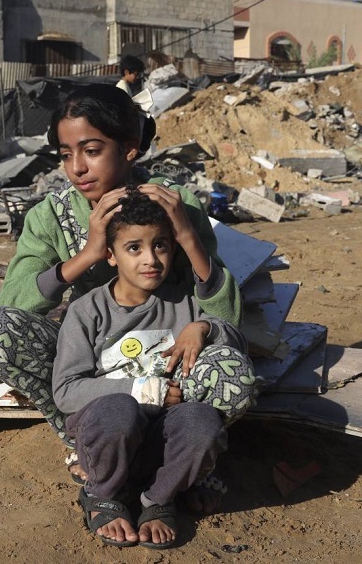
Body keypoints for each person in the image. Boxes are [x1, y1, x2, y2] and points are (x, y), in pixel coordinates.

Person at [0, 84, 243, 510]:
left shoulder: (174, 204)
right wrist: (88, 255)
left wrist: (188, 237)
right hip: (89, 365)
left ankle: (181, 448)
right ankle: (90, 442)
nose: (77, 168)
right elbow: (13, 303)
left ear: (129, 148)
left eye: (92, 150)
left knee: (232, 374)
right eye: (65, 155)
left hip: (168, 359)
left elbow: (227, 317)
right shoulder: (52, 216)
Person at [52, 188, 258, 548]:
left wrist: (205, 327)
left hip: (164, 439)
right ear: (111, 256)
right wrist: (144, 390)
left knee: (201, 420)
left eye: (160, 245)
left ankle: (158, 498)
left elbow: (236, 345)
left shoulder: (183, 303)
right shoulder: (88, 311)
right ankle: (103, 493)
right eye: (134, 248)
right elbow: (67, 390)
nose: (151, 259)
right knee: (118, 410)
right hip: (108, 437)